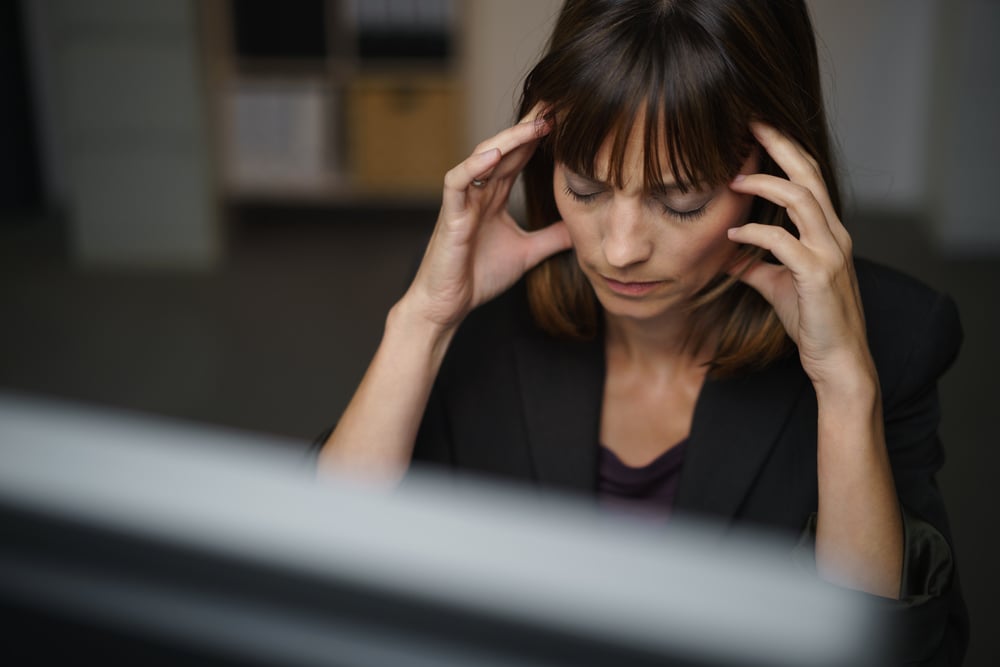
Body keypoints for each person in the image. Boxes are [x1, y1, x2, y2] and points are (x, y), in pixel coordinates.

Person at [316, 0, 967, 662]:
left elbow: (883, 651)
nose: (619, 249)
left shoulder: (897, 336)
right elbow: (316, 576)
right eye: (587, 186)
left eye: (681, 200)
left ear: (775, 180)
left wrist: (845, 385)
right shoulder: (473, 316)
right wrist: (422, 321)